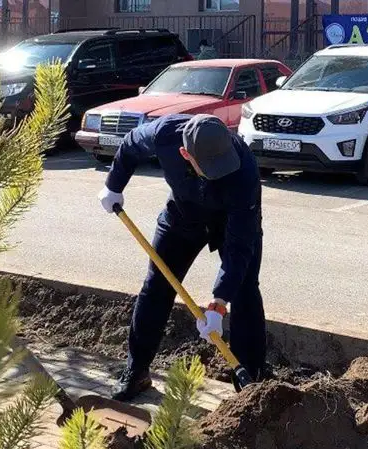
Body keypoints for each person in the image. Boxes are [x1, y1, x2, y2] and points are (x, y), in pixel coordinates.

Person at [98, 113, 266, 400]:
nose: (221, 171)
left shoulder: (243, 172)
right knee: (156, 288)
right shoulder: (164, 133)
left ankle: (250, 391)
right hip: (182, 217)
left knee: (245, 292)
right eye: (212, 167)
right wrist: (114, 185)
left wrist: (219, 301)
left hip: (231, 224)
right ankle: (136, 370)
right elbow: (129, 144)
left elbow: (239, 247)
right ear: (184, 153)